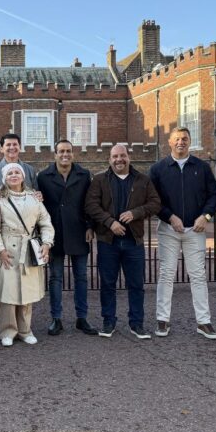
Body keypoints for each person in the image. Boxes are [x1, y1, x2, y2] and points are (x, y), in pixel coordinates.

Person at [149, 128, 216, 339]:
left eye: (185, 139)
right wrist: (170, 216)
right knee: (166, 274)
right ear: (169, 142)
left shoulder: (202, 167)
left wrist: (206, 216)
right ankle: (162, 320)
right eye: (177, 139)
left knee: (198, 275)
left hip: (195, 229)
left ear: (190, 142)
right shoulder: (158, 169)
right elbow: (153, 200)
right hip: (168, 230)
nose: (181, 142)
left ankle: (203, 321)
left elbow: (214, 196)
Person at [85, 144, 160, 339]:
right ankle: (108, 322)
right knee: (108, 284)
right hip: (107, 241)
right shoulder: (100, 179)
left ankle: (137, 324)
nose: (119, 159)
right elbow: (91, 205)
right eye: (115, 156)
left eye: (122, 156)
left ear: (129, 157)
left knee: (136, 285)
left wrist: (136, 213)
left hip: (133, 242)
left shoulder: (143, 180)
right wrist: (110, 223)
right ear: (109, 160)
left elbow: (155, 203)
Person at [0, 133, 39, 339]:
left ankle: (21, 324)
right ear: (1, 149)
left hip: (22, 236)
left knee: (22, 279)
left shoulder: (29, 170)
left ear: (20, 147)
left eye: (15, 145)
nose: (12, 148)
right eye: (8, 145)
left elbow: (33, 198)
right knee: (0, 278)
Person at [0, 163, 54, 347]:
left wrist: (47, 243)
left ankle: (25, 330)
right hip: (7, 249)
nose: (14, 175)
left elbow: (46, 222)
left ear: (23, 176)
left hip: (28, 248)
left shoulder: (34, 199)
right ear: (4, 178)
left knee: (26, 292)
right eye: (10, 173)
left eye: (17, 172)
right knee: (8, 293)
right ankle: (7, 331)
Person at [37, 140, 98, 337]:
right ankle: (56, 318)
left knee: (81, 277)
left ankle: (82, 317)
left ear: (73, 154)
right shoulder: (44, 177)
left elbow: (89, 203)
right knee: (55, 278)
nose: (65, 154)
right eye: (61, 151)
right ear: (55, 154)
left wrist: (90, 226)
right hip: (54, 233)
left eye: (69, 151)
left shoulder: (83, 175)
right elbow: (40, 207)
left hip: (78, 230)